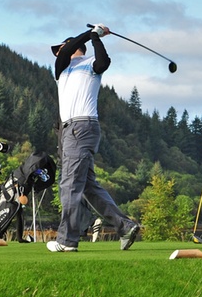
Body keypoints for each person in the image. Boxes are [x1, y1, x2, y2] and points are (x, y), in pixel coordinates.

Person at [47, 24, 140, 252]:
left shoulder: (90, 64)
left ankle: (67, 241)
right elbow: (68, 50)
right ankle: (125, 226)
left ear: (75, 47)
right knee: (88, 187)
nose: (58, 53)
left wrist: (96, 39)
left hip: (82, 126)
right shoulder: (62, 69)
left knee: (69, 184)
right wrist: (90, 33)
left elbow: (104, 62)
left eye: (59, 48)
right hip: (71, 131)